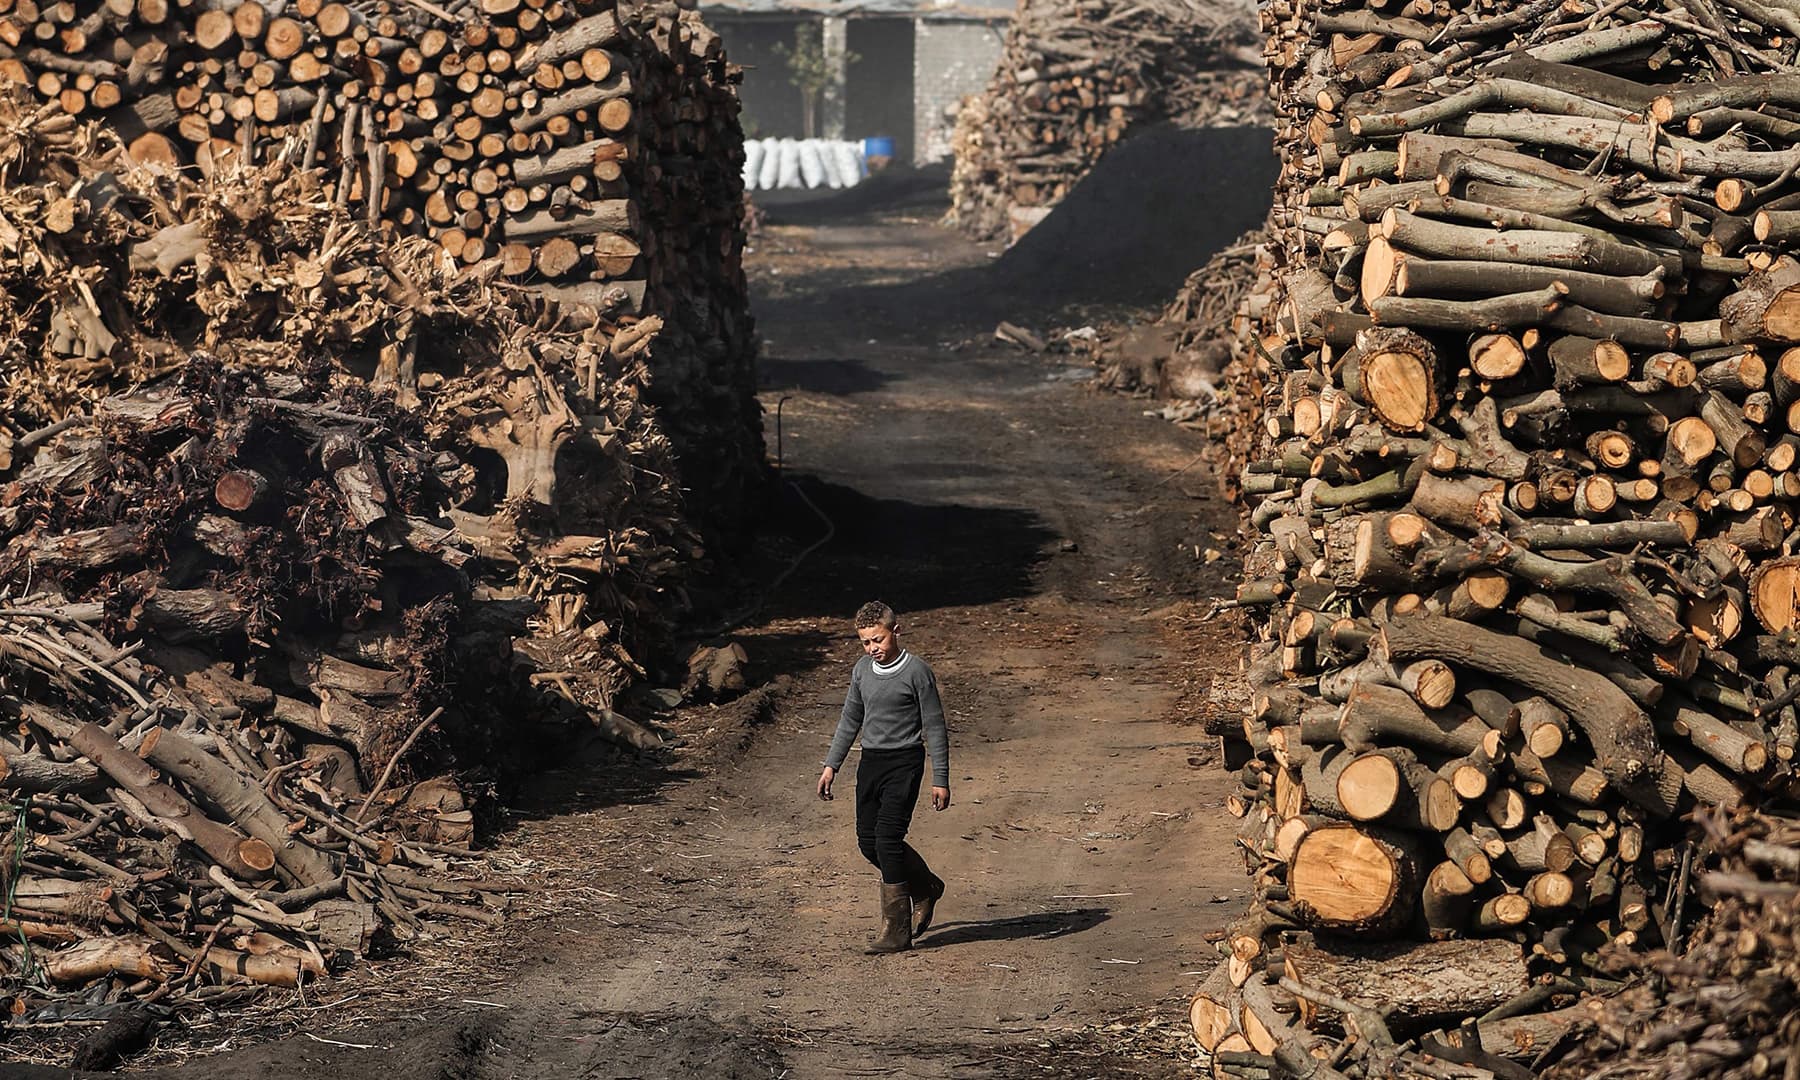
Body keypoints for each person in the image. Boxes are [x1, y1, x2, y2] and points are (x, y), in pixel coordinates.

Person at [816, 601, 950, 953]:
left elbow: (935, 726)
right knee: (867, 841)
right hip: (871, 763)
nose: (873, 648)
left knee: (888, 839)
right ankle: (925, 886)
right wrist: (832, 765)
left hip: (904, 763)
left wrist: (941, 778)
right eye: (865, 642)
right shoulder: (862, 671)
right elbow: (850, 720)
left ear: (896, 631)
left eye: (878, 639)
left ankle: (896, 931)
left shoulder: (917, 672)